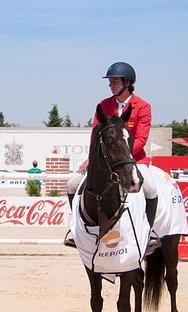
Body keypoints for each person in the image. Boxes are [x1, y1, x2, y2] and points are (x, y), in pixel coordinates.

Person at [65, 62, 159, 254]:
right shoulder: (103, 105)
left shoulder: (142, 107)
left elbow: (141, 138)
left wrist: (122, 157)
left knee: (151, 188)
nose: (111, 85)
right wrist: (90, 159)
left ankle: (150, 233)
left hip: (132, 161)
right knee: (72, 185)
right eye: (110, 82)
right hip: (104, 163)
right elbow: (95, 136)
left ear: (127, 82)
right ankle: (75, 231)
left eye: (114, 81)